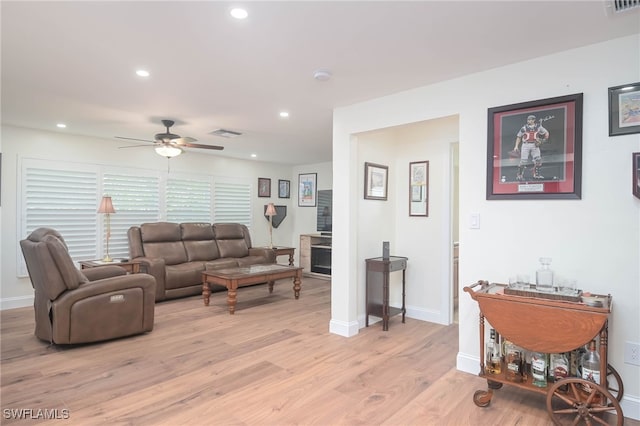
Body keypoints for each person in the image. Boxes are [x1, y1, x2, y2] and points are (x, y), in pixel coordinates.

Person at [512, 114, 549, 180]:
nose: (528, 121)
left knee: (538, 160)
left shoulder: (538, 127)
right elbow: (519, 137)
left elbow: (546, 133)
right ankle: (520, 175)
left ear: (533, 120)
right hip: (526, 145)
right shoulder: (524, 128)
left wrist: (544, 140)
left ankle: (536, 174)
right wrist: (516, 146)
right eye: (528, 119)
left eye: (530, 119)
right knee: (523, 161)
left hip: (535, 145)